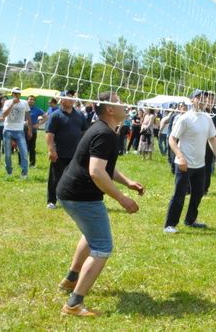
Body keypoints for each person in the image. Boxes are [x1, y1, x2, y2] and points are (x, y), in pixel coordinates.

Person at [56, 91, 144, 317]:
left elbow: (104, 166)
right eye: (118, 101)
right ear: (110, 109)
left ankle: (70, 280)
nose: (125, 104)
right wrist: (122, 199)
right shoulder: (105, 134)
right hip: (81, 196)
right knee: (102, 247)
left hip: (70, 192)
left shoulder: (103, 130)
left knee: (91, 234)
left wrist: (127, 182)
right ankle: (74, 304)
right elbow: (96, 172)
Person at [164, 90, 216, 233]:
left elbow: (212, 139)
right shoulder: (184, 118)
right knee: (180, 194)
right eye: (198, 97)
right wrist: (180, 156)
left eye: (204, 97)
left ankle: (190, 220)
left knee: (198, 193)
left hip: (200, 165)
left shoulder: (207, 118)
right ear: (192, 100)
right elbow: (172, 139)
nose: (202, 99)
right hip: (184, 164)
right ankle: (170, 225)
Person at [45, 90, 89, 209]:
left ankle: (73, 200)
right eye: (68, 97)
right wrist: (51, 150)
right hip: (59, 153)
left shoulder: (80, 115)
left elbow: (85, 133)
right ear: (61, 99)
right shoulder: (55, 115)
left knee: (75, 178)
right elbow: (49, 134)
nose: (71, 99)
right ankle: (52, 201)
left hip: (76, 154)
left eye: (72, 97)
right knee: (55, 178)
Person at [1, 88, 32, 179]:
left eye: (18, 94)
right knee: (7, 153)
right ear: (12, 94)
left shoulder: (24, 103)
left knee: (24, 152)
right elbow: (4, 114)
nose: (16, 95)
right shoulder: (7, 102)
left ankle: (24, 173)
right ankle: (9, 172)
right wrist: (12, 104)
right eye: (14, 93)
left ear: (20, 94)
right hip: (8, 130)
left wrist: (29, 129)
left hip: (19, 130)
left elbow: (28, 116)